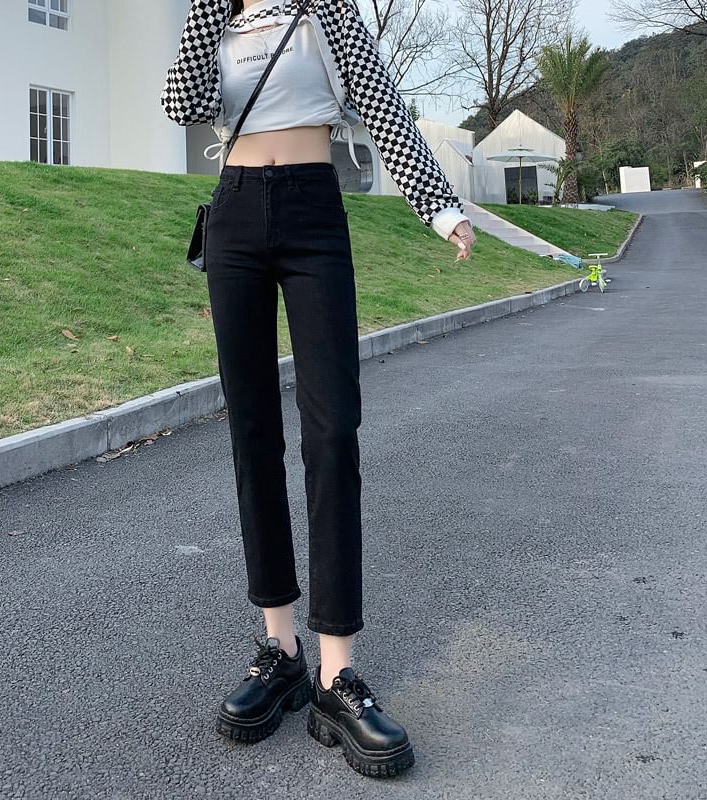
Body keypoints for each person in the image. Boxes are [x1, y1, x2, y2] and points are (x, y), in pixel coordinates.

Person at [161, 0, 476, 778]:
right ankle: (281, 650)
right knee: (252, 435)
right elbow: (179, 102)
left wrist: (438, 206)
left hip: (312, 209)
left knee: (332, 429)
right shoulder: (217, 20)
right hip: (234, 212)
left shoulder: (325, 11)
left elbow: (382, 105)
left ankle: (338, 676)